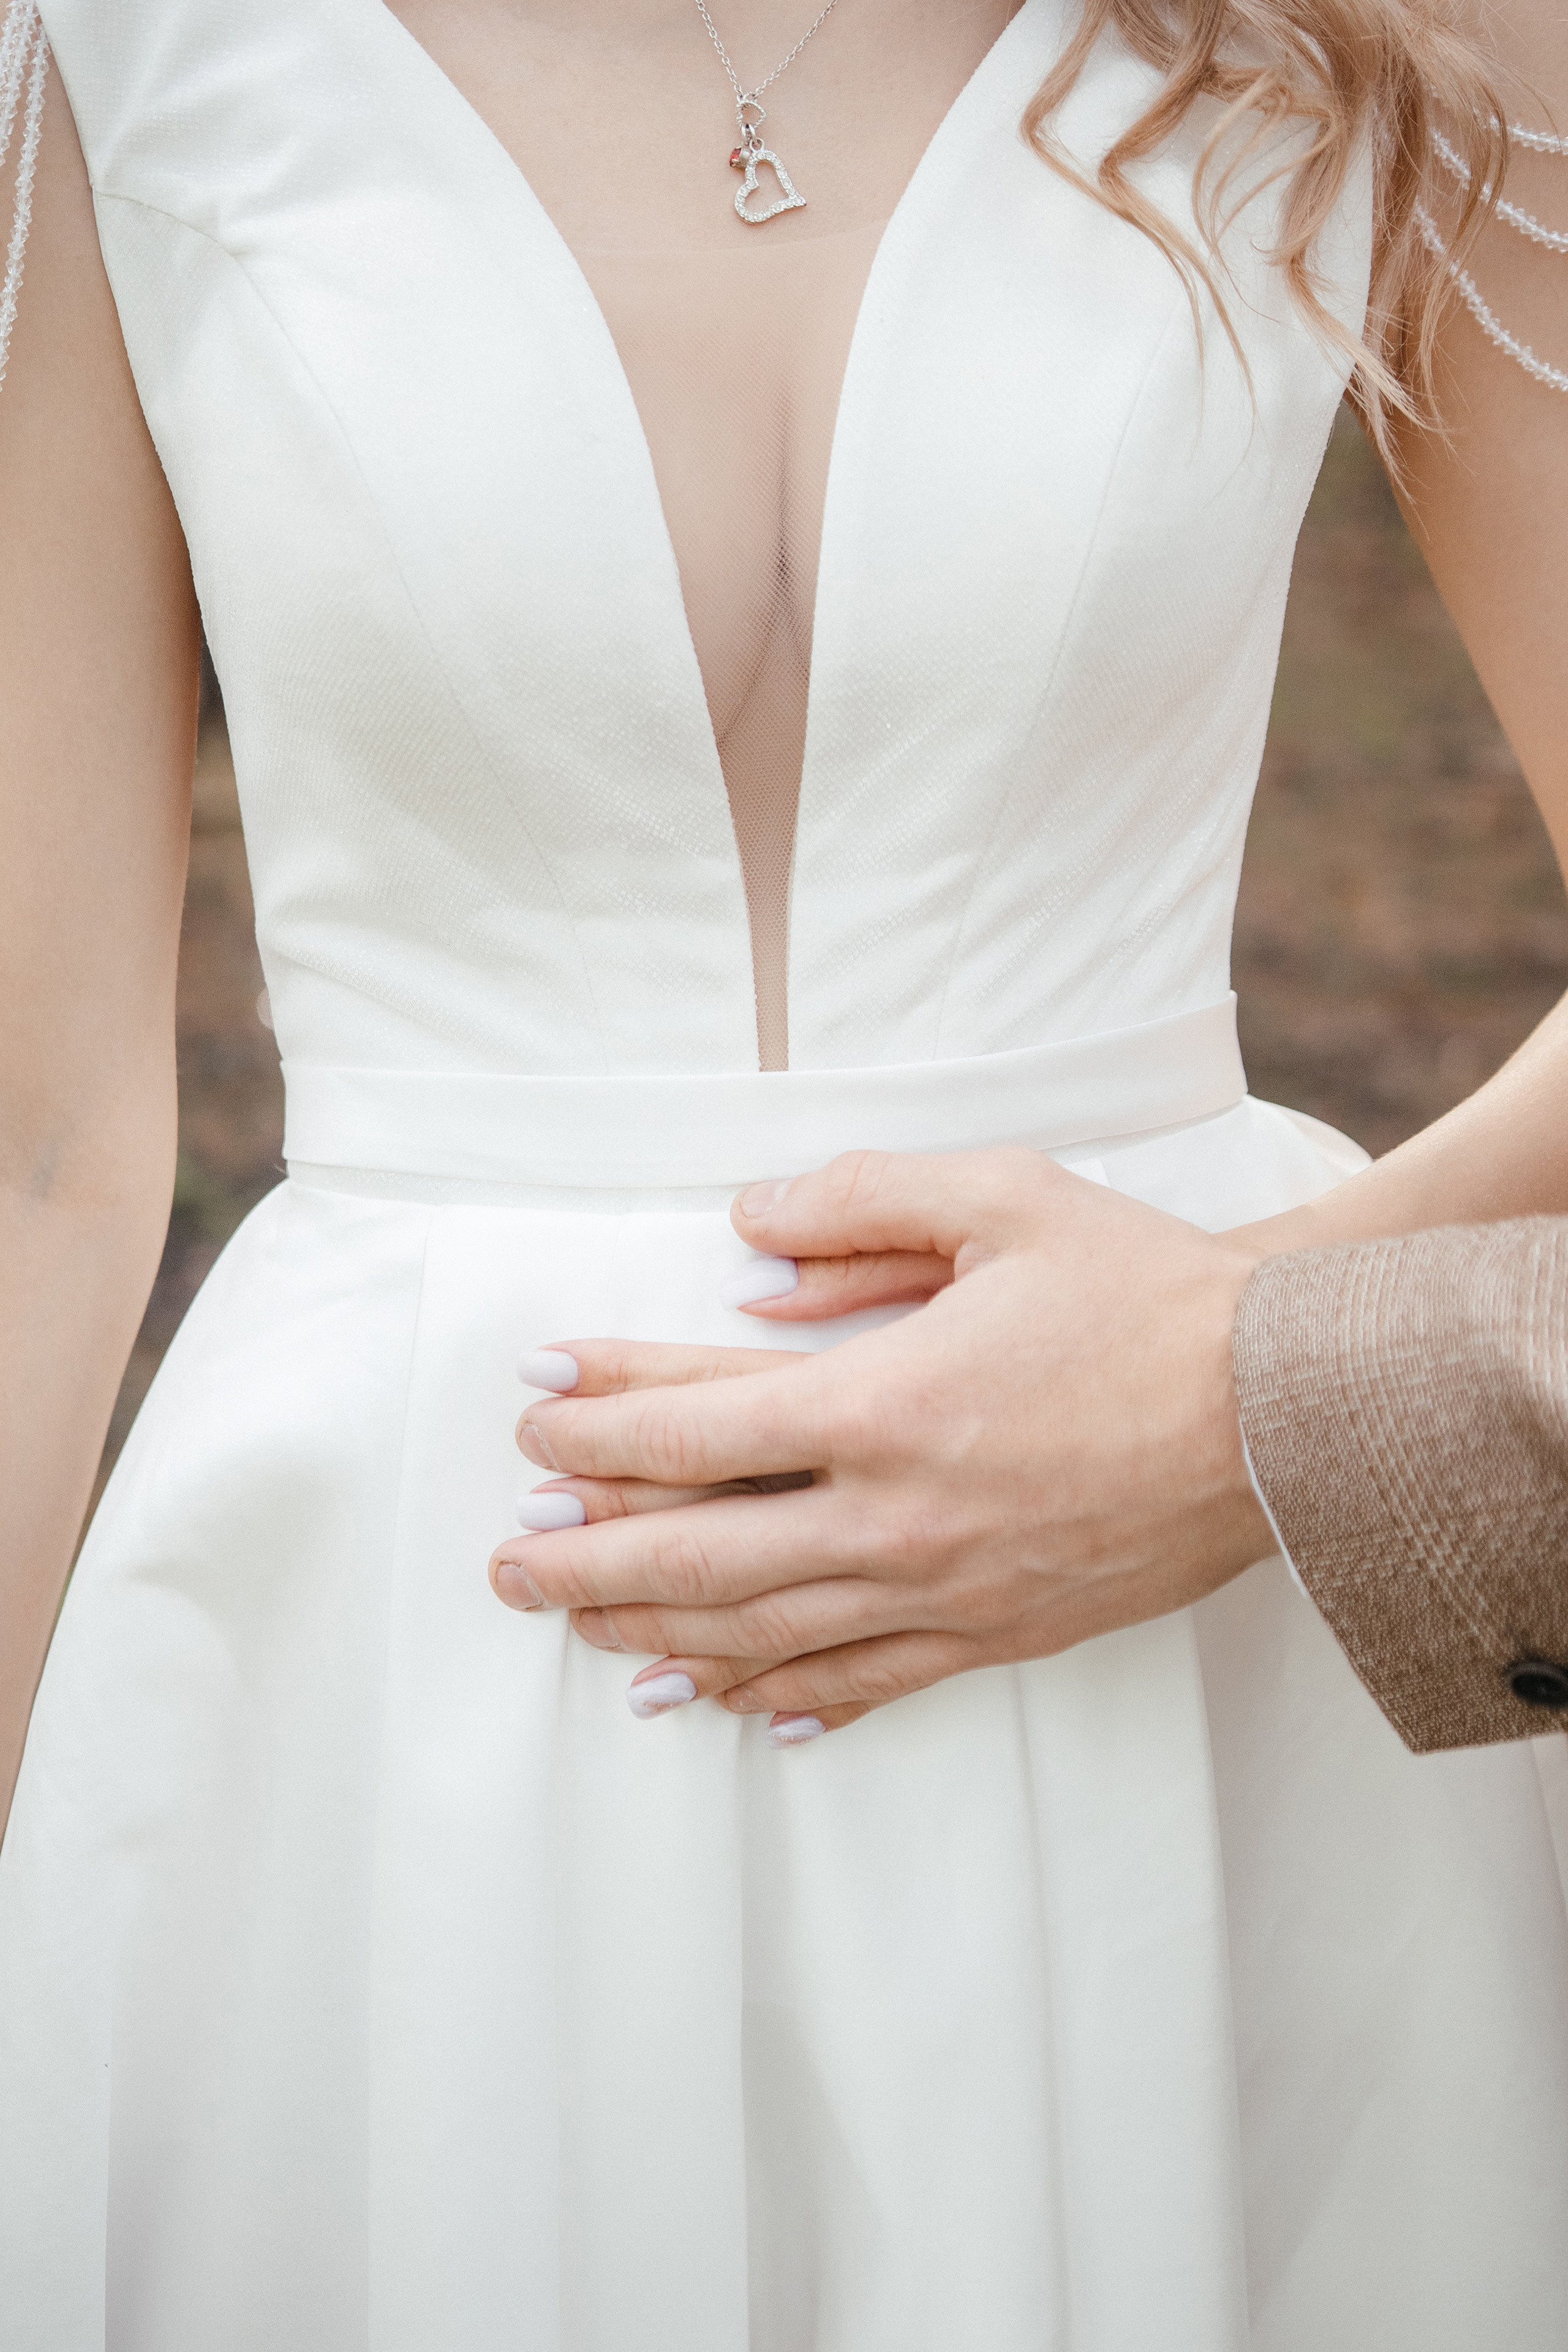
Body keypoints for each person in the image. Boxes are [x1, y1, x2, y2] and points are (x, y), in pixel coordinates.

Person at [1, 1, 1566, 2346]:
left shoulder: (1389, 26)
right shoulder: (104, 45)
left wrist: (1253, 1368)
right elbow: (34, 1158)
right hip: (378, 1689)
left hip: (1194, 1663)